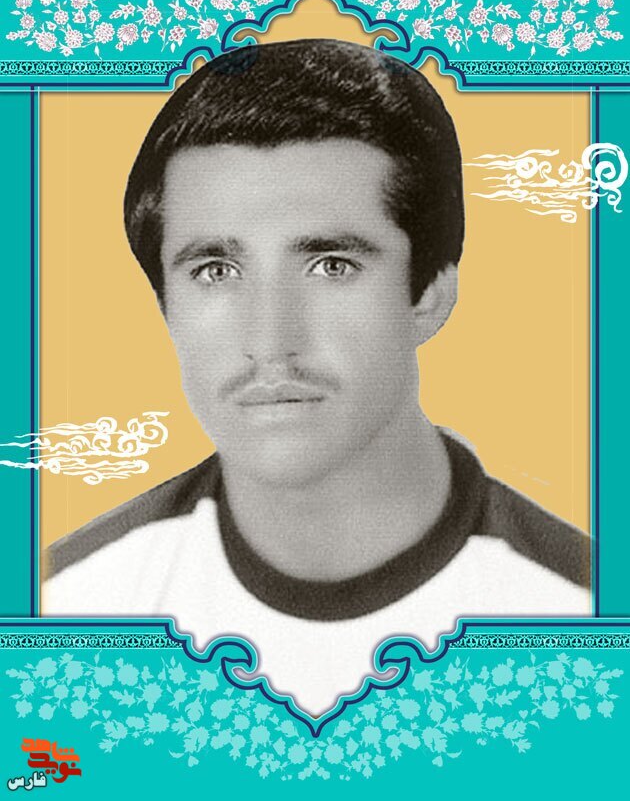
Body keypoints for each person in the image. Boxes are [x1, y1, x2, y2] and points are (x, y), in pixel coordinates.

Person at [44, 39, 590, 715]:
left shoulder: (585, 619)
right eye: (215, 271)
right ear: (165, 305)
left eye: (331, 265)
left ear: (428, 293)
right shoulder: (61, 614)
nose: (271, 342)